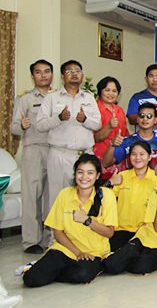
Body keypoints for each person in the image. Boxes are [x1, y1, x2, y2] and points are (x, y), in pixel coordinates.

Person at [23, 154, 117, 287]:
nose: (84, 177)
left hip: (93, 252)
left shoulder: (106, 195)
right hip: (66, 249)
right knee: (31, 279)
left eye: (90, 173)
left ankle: (56, 271)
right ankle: (44, 269)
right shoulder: (65, 194)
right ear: (75, 175)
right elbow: (58, 232)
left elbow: (109, 233)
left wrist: (87, 220)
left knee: (82, 275)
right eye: (80, 172)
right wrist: (77, 253)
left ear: (97, 176)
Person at [36, 60, 102, 209]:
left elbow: (97, 124)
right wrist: (58, 119)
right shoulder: (52, 97)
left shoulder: (89, 98)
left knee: (83, 198)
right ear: (62, 76)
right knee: (58, 198)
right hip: (60, 154)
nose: (74, 74)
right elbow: (40, 124)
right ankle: (56, 233)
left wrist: (85, 120)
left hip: (85, 155)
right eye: (69, 71)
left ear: (82, 75)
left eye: (77, 71)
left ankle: (79, 232)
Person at [10, 59, 53, 253]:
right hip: (34, 149)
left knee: (53, 197)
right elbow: (13, 127)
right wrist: (22, 126)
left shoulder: (58, 97)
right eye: (38, 72)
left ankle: (51, 240)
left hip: (55, 149)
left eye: (47, 71)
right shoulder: (25, 99)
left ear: (52, 74)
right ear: (33, 76)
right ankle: (31, 241)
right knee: (32, 196)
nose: (43, 75)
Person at [107, 141, 157, 251]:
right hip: (121, 230)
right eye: (134, 154)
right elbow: (102, 198)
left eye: (142, 154)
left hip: (145, 231)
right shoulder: (122, 176)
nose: (137, 158)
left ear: (149, 157)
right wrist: (110, 183)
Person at [102, 102, 157, 170]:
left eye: (149, 116)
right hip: (133, 179)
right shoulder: (127, 141)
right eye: (141, 115)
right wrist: (112, 145)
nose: (145, 119)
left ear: (155, 120)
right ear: (137, 119)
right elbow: (106, 163)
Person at [92, 76, 129, 179]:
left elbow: (125, 134)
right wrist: (109, 126)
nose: (111, 94)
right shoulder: (94, 109)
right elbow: (94, 138)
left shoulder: (119, 110)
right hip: (99, 159)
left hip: (117, 159)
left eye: (114, 91)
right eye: (107, 90)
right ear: (100, 91)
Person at [127, 64, 157, 138]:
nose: (154, 80)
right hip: (143, 143)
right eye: (151, 76)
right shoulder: (137, 98)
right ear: (146, 79)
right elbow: (131, 119)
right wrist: (148, 116)